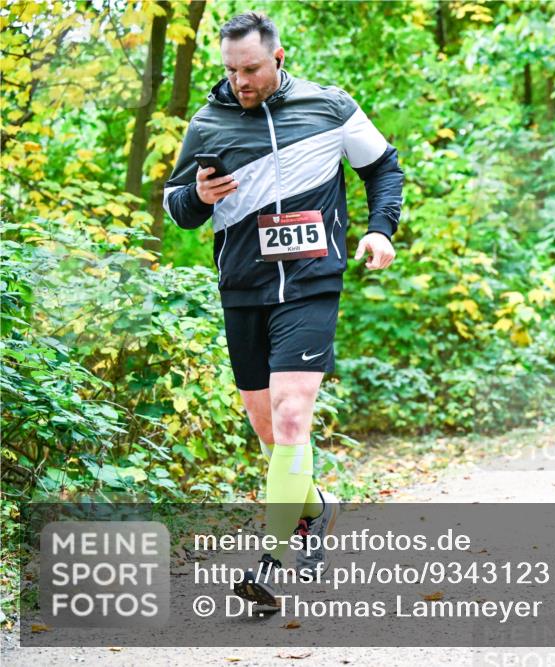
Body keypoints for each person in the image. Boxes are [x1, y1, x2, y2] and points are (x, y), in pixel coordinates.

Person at [162, 12, 404, 607]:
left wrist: (380, 228)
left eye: (250, 69)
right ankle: (317, 509)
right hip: (243, 288)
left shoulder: (329, 107)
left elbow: (382, 166)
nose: (240, 81)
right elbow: (176, 207)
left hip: (311, 281)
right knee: (269, 431)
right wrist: (198, 195)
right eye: (230, 70)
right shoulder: (208, 122)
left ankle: (272, 561)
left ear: (278, 57)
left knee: (293, 413)